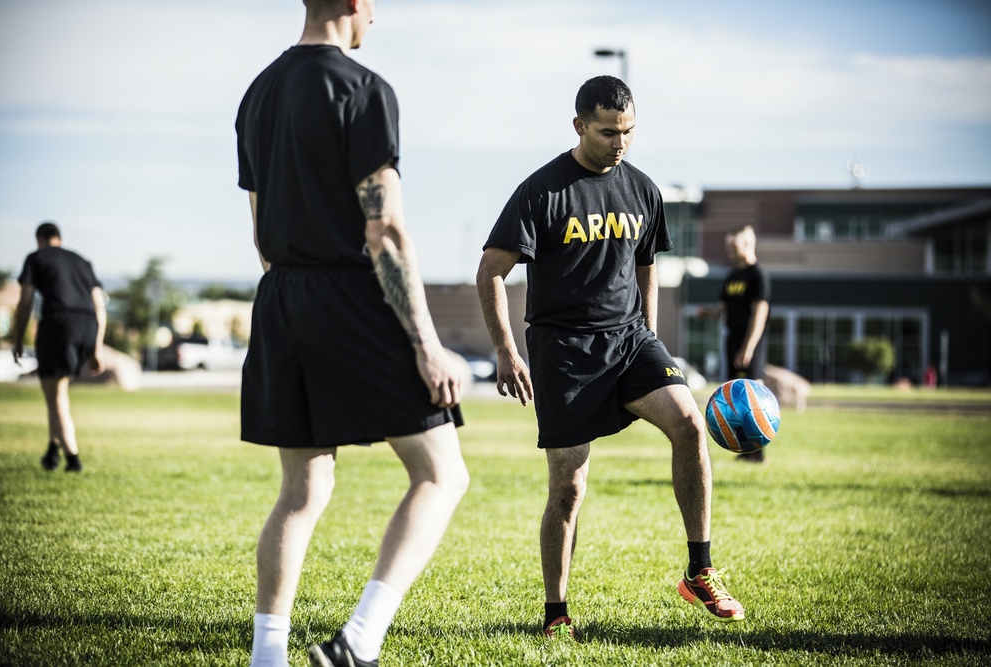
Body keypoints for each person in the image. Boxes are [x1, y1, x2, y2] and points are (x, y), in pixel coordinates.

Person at [235, 2, 469, 666]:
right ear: (356, 3)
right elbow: (386, 229)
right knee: (441, 472)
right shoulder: (363, 89)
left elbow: (259, 232)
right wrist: (426, 342)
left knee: (302, 489)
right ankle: (359, 642)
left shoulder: (258, 93)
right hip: (351, 293)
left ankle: (267, 657)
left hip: (280, 293)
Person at [476, 75, 745, 639]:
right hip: (564, 351)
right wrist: (505, 350)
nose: (619, 142)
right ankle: (556, 613)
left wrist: (648, 327)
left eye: (628, 132)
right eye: (607, 132)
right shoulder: (542, 191)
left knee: (691, 424)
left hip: (629, 341)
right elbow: (491, 272)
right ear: (579, 126)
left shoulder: (643, 189)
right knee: (569, 488)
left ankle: (701, 568)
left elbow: (647, 259)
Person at [12, 222, 106, 473]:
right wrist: (96, 348)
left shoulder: (36, 257)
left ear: (39, 239)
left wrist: (18, 337)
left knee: (55, 396)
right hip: (87, 325)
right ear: (60, 239)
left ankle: (72, 458)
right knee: (59, 389)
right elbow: (99, 306)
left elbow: (26, 301)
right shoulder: (82, 261)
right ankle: (52, 451)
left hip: (58, 324)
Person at [705, 225, 771, 463]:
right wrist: (707, 313)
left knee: (753, 397)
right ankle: (744, 450)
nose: (729, 251)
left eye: (733, 246)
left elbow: (759, 313)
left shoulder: (757, 275)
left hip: (749, 339)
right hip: (732, 338)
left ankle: (758, 452)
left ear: (747, 244)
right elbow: (722, 307)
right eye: (728, 247)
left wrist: (749, 348)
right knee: (735, 398)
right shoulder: (732, 275)